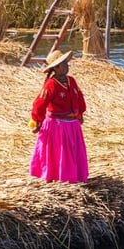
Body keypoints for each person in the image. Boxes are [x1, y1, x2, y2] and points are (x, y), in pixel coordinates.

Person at [30, 49, 88, 183]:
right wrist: (37, 122)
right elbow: (39, 103)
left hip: (72, 124)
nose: (67, 66)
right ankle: (57, 176)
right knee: (59, 152)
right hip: (57, 126)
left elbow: (79, 97)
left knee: (72, 151)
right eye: (64, 64)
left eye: (66, 63)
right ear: (56, 68)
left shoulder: (71, 81)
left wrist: (80, 113)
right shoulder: (51, 84)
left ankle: (74, 176)